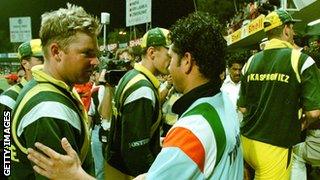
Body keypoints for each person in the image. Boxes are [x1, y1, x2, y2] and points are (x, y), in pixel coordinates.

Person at [27, 12, 244, 180]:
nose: (169, 65)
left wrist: (77, 176)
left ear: (186, 61)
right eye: (87, 53)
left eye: (172, 56)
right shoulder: (223, 99)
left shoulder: (192, 130)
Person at [11, 4, 100, 179]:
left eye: (96, 54)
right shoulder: (48, 109)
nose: (95, 61)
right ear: (56, 51)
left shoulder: (49, 85)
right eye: (87, 53)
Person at [237, 9, 320, 179]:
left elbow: (243, 107)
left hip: (246, 144)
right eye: (292, 28)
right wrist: (301, 125)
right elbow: (314, 112)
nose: (294, 33)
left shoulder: (250, 62)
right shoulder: (301, 60)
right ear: (286, 30)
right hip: (274, 148)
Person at [105, 27, 171, 178]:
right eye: (168, 54)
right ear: (152, 52)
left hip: (117, 167)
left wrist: (154, 141)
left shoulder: (132, 76)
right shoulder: (142, 90)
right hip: (127, 173)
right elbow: (135, 151)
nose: (172, 60)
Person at [0, 39, 44, 159]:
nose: (47, 63)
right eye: (41, 59)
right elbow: (5, 142)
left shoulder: (56, 91)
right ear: (25, 64)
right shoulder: (9, 99)